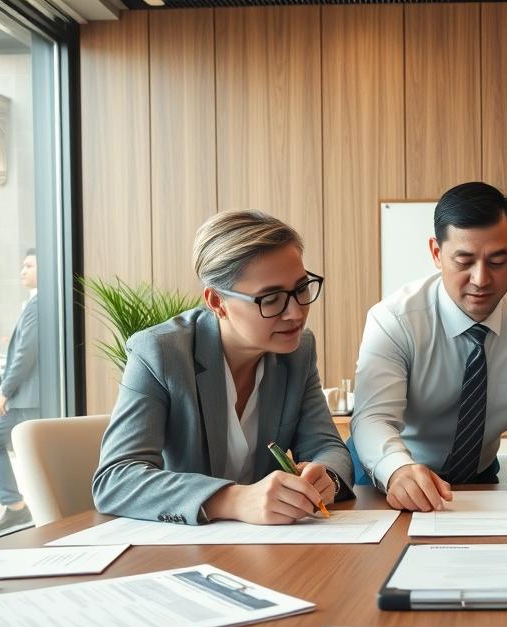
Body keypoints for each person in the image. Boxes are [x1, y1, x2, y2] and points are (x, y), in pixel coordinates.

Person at [93, 210, 353, 525]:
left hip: (270, 548)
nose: (296, 313)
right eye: (271, 299)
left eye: (301, 289)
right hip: (180, 552)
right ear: (217, 302)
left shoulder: (298, 351)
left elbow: (327, 446)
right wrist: (233, 499)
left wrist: (325, 478)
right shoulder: (161, 352)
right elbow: (115, 479)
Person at [349, 181, 507, 512]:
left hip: (479, 477)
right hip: (393, 472)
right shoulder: (394, 319)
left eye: (497, 261)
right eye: (463, 260)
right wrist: (398, 470)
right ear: (436, 253)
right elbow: (373, 417)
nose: (481, 279)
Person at [0, 249, 41, 532]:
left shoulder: (38, 304)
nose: (22, 271)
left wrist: (5, 389)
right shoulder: (35, 302)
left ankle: (18, 507)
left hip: (26, 399)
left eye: (28, 265)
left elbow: (26, 352)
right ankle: (17, 506)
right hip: (28, 399)